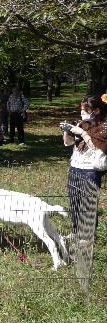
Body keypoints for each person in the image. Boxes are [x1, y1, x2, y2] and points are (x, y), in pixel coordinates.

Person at [62, 96, 107, 234]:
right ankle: (75, 231)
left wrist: (83, 133)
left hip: (90, 171)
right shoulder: (81, 123)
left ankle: (87, 237)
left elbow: (97, 147)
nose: (82, 112)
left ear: (96, 110)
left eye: (85, 109)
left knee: (88, 205)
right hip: (75, 167)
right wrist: (67, 131)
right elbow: (68, 143)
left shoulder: (104, 126)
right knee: (74, 203)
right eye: (81, 109)